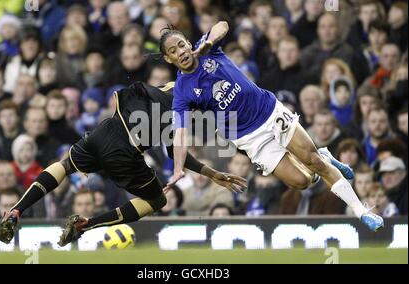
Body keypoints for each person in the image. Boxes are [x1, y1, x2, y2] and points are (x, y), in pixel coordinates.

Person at [161, 21, 383, 231]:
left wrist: (208, 42)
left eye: (181, 45)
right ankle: (324, 157)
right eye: (173, 51)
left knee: (313, 161)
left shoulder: (206, 48)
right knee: (302, 181)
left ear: (188, 44)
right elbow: (180, 133)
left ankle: (361, 211)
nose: (180, 51)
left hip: (269, 112)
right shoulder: (182, 91)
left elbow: (223, 25)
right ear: (168, 59)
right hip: (249, 138)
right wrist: (179, 168)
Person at [0, 82, 246, 245]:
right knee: (157, 200)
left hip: (105, 129)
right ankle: (86, 225)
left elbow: (170, 143)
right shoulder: (190, 107)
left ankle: (17, 209)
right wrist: (209, 172)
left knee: (65, 165)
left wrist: (208, 171)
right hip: (124, 150)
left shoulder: (175, 85)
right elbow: (175, 149)